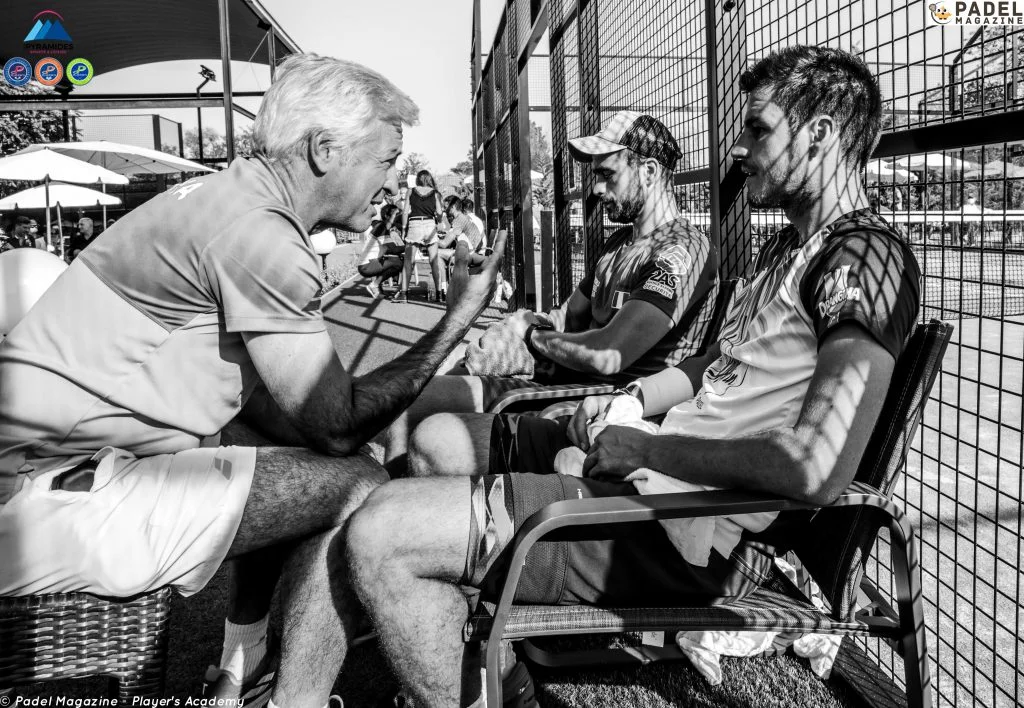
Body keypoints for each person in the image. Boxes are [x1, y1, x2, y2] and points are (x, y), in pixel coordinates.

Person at [346, 46, 922, 708]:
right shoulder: (787, 248)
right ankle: (473, 656)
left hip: (696, 534)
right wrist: (631, 404)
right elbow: (717, 363)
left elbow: (815, 468)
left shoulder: (867, 257)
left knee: (381, 533)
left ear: (819, 136)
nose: (738, 147)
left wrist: (643, 443)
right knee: (437, 439)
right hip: (656, 479)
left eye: (758, 128)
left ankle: (476, 669)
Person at [0, 53, 505, 708]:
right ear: (326, 150)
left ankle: (242, 670)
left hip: (49, 475)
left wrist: (334, 441)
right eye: (385, 160)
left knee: (289, 454)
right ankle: (289, 697)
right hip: (42, 496)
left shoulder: (228, 200)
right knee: (358, 485)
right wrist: (460, 316)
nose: (390, 180)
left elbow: (295, 421)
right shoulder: (257, 231)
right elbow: (337, 421)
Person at [381, 111, 719, 472]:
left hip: (601, 411)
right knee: (409, 402)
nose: (597, 189)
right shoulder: (620, 243)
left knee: (436, 440)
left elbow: (608, 356)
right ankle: (381, 496)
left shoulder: (681, 250)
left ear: (649, 171)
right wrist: (518, 330)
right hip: (564, 383)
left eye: (608, 175)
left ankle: (395, 506)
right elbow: (567, 316)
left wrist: (532, 334)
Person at [394, 170, 446, 303]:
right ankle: (439, 293)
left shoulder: (411, 191)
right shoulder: (435, 193)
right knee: (434, 261)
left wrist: (404, 229)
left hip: (415, 224)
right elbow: (439, 212)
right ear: (429, 179)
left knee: (408, 261)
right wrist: (439, 220)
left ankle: (404, 294)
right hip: (429, 225)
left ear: (417, 179)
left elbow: (405, 212)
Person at [435, 195, 484, 301]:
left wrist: (429, 240)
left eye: (446, 207)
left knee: (437, 253)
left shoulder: (458, 220)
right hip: (477, 251)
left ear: (452, 207)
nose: (444, 210)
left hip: (469, 254)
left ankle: (443, 290)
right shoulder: (464, 218)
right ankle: (445, 290)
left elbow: (444, 243)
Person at [357, 203, 405, 298]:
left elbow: (389, 249)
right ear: (387, 216)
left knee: (395, 260)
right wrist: (409, 245)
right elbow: (393, 249)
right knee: (398, 263)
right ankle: (374, 285)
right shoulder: (381, 228)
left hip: (369, 263)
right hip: (366, 266)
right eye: (396, 214)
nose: (399, 216)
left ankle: (377, 289)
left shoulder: (383, 227)